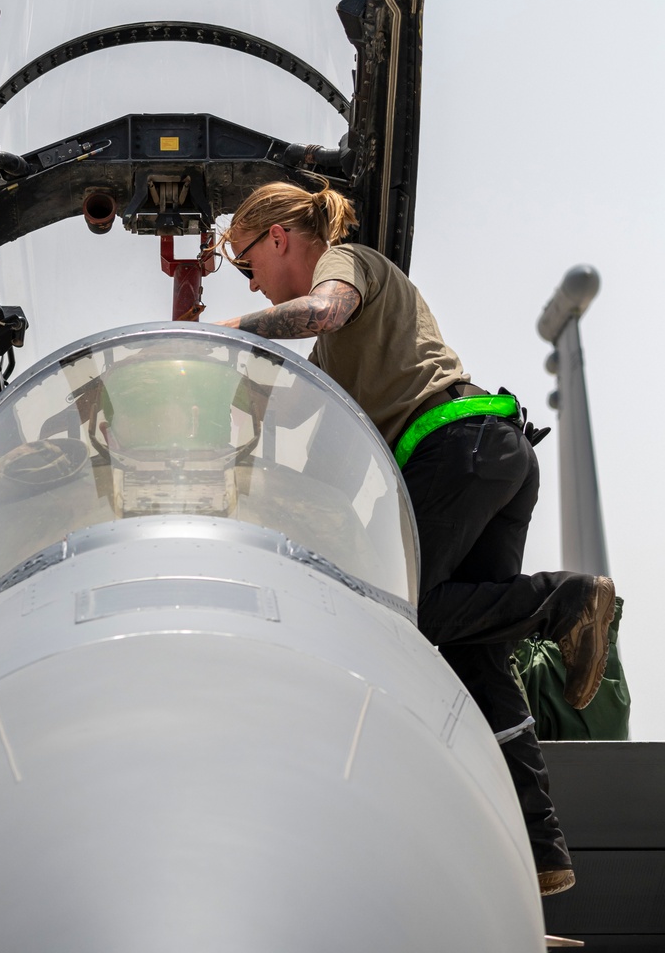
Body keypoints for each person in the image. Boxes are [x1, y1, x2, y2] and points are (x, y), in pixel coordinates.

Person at [218, 180, 616, 897]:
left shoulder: (346, 264)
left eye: (247, 264)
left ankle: (568, 602)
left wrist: (245, 327)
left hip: (455, 449)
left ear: (277, 237)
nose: (252, 281)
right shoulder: (337, 360)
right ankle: (543, 849)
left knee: (410, 614)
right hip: (489, 452)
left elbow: (323, 308)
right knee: (476, 652)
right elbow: (296, 433)